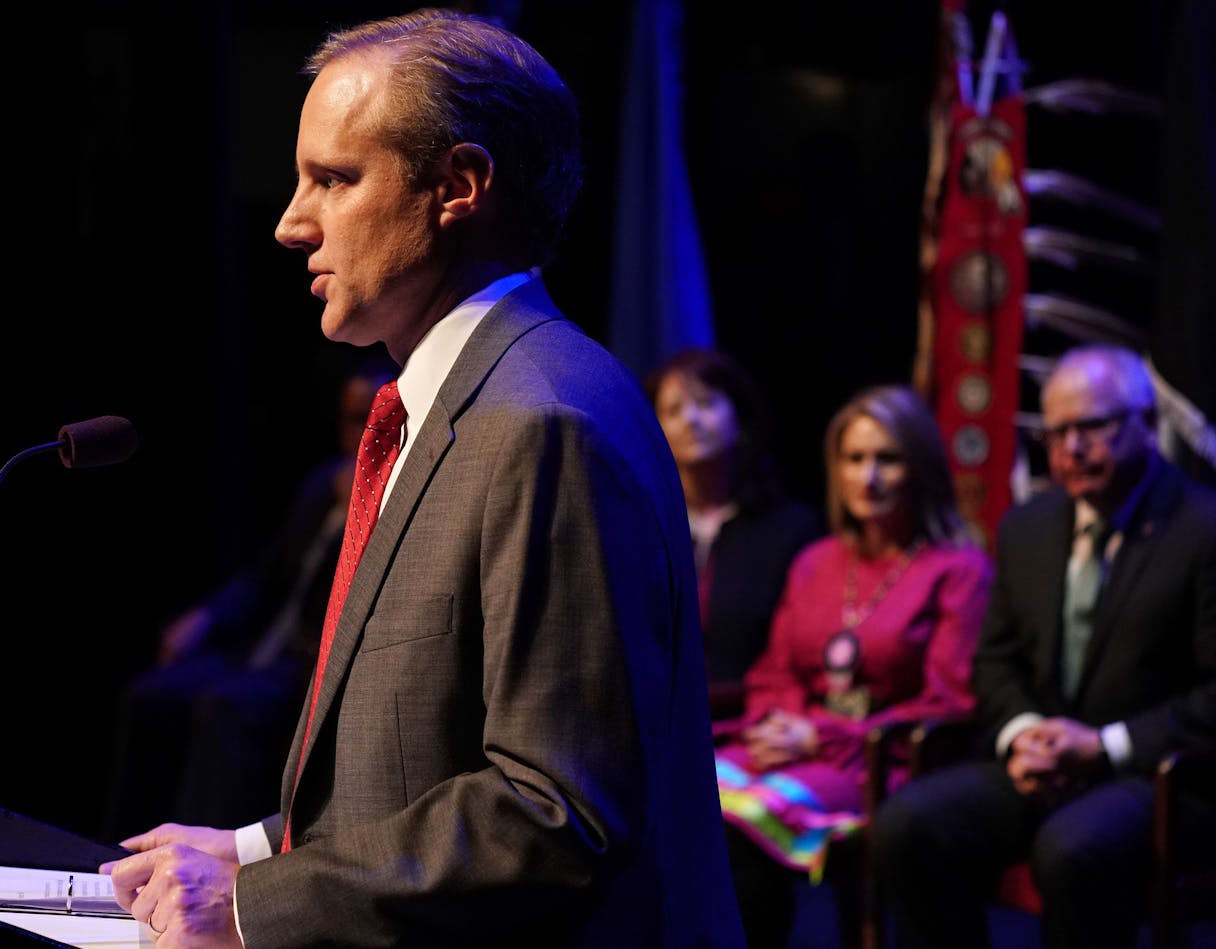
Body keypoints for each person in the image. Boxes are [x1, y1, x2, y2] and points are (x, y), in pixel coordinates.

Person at [99, 8, 747, 947]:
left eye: (333, 178)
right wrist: (251, 851)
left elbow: (551, 811)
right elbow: (423, 768)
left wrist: (252, 907)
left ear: (459, 185)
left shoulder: (541, 420)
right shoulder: (461, 403)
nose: (288, 223)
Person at [870, 343, 1216, 949]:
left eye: (1092, 427)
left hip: (1155, 776)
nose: (1072, 449)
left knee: (1073, 849)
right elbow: (995, 661)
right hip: (1045, 764)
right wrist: (1023, 732)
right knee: (908, 823)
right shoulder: (1028, 527)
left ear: (1147, 423)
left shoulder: (1202, 528)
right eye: (1056, 433)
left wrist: (1103, 746)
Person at [712, 383, 993, 949]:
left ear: (920, 466)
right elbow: (775, 671)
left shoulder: (958, 568)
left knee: (734, 829)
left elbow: (948, 700)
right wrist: (785, 725)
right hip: (792, 747)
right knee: (687, 800)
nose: (869, 477)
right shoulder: (817, 561)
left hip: (880, 762)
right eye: (855, 459)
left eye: (887, 459)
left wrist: (818, 737)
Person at [101, 355, 394, 839]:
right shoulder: (323, 484)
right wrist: (206, 616)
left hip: (308, 663)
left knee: (225, 706)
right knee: (150, 695)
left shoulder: (392, 494)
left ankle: (194, 856)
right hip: (257, 648)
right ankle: (119, 849)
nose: (356, 434)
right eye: (348, 419)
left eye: (367, 420)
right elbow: (264, 577)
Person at [644, 346, 826, 718]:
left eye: (706, 403)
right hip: (658, 724)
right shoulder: (639, 528)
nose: (691, 419)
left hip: (757, 722)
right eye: (674, 411)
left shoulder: (792, 531)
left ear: (739, 418)